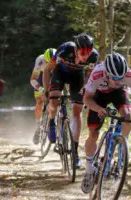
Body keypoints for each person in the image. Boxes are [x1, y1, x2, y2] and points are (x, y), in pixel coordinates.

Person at [80, 52, 131, 193]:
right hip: (98, 96)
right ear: (106, 73)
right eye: (115, 78)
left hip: (119, 94)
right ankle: (88, 169)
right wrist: (99, 109)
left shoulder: (128, 75)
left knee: (127, 116)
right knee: (93, 134)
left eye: (120, 77)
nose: (118, 80)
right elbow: (87, 99)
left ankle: (123, 146)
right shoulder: (97, 73)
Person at [43, 33, 97, 168]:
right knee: (54, 100)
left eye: (88, 53)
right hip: (60, 74)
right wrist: (46, 91)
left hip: (77, 77)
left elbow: (90, 75)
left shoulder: (93, 56)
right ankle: (51, 122)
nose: (85, 56)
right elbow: (47, 69)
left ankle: (75, 151)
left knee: (77, 112)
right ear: (75, 49)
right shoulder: (65, 49)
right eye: (83, 52)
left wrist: (85, 88)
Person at [30, 48, 56, 144]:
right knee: (39, 101)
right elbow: (32, 80)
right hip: (41, 77)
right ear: (44, 60)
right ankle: (38, 125)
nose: (50, 64)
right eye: (47, 62)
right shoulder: (40, 60)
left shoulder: (60, 59)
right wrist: (42, 90)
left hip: (54, 77)